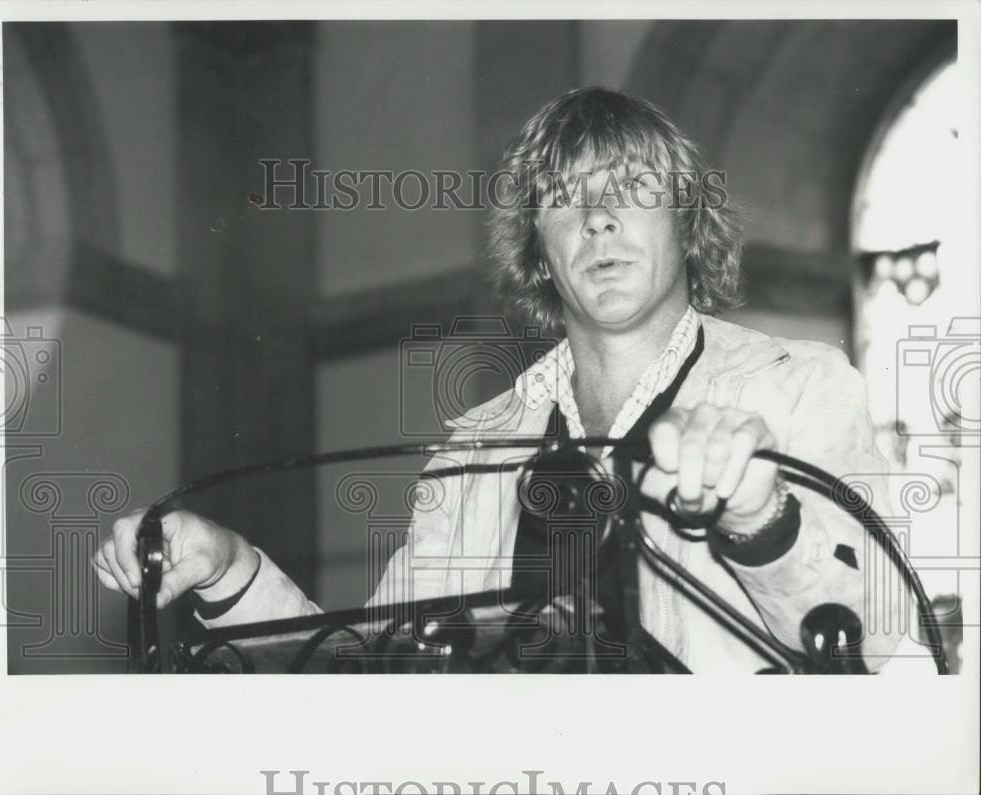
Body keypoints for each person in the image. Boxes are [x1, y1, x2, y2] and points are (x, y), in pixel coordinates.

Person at [93, 88, 905, 672]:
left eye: (632, 191)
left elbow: (877, 648)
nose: (597, 220)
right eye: (563, 200)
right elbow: (374, 679)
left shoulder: (798, 389)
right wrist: (230, 568)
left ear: (688, 223)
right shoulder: (475, 446)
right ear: (538, 252)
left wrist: (761, 517)